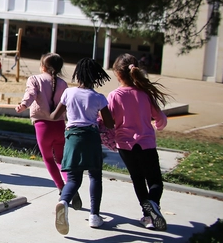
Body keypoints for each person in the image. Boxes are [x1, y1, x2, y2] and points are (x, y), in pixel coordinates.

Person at [48, 58, 114, 235]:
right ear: (96, 77)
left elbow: (54, 116)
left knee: (73, 179)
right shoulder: (99, 97)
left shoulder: (69, 93)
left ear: (78, 75)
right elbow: (109, 123)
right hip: (91, 138)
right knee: (95, 176)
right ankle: (94, 215)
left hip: (72, 138)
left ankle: (63, 202)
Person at [108, 53, 170, 231]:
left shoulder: (114, 95)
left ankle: (148, 216)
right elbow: (161, 119)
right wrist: (157, 126)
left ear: (117, 74)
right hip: (147, 144)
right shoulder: (146, 94)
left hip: (125, 146)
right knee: (155, 181)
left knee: (138, 180)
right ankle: (153, 204)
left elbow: (108, 121)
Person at [15, 53, 81, 209]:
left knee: (49, 160)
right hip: (59, 126)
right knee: (61, 160)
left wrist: (23, 105)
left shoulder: (35, 79)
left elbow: (30, 94)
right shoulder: (63, 84)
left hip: (42, 126)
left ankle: (62, 188)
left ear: (43, 66)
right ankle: (71, 187)